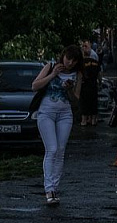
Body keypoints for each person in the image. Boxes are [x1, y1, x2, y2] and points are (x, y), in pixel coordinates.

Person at [30, 44, 83, 205]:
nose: (70, 63)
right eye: (68, 58)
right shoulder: (51, 66)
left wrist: (68, 89)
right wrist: (53, 75)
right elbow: (35, 86)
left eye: (74, 61)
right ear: (63, 56)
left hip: (65, 114)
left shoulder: (77, 74)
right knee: (51, 149)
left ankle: (54, 188)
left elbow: (76, 100)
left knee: (60, 151)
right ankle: (48, 189)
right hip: (46, 112)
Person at [79, 40, 101, 126]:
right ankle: (93, 120)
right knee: (93, 102)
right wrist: (99, 82)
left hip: (84, 86)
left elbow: (80, 75)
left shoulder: (82, 63)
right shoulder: (95, 62)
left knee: (84, 103)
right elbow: (99, 73)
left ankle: (84, 120)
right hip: (93, 85)